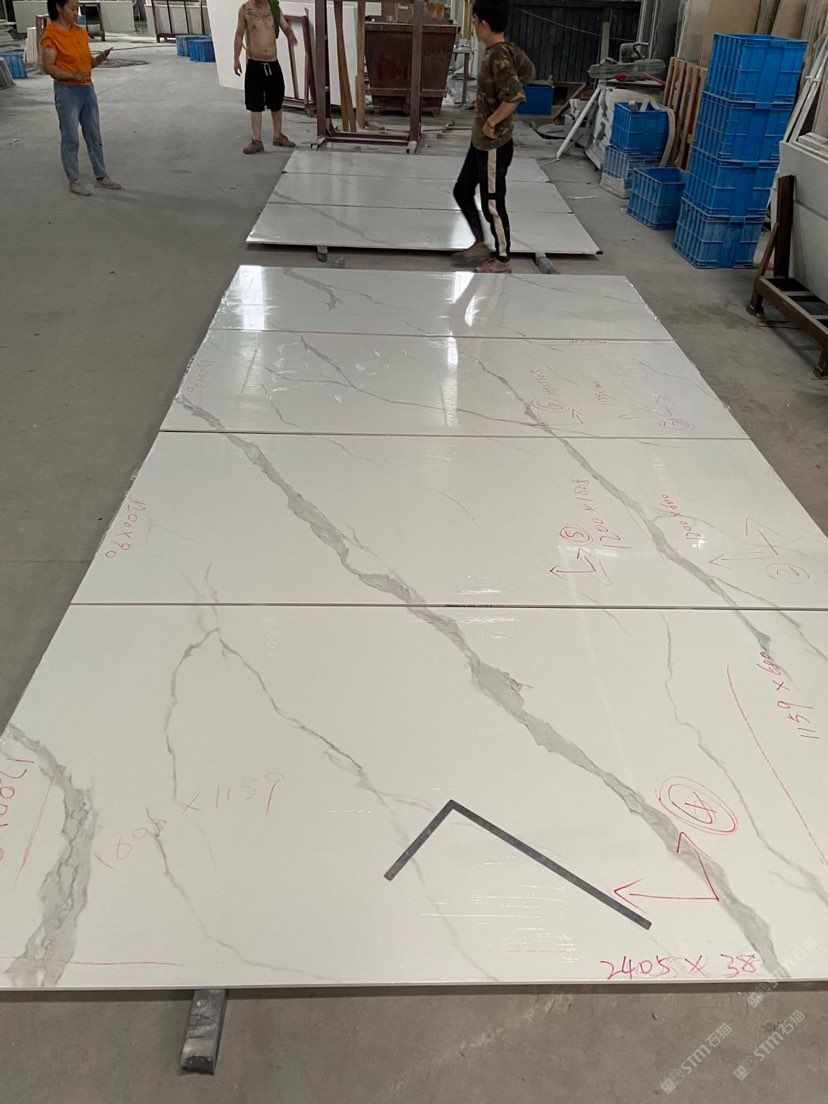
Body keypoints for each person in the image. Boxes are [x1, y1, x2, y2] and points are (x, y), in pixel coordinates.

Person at [452, 0, 534, 273]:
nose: (474, 26)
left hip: (493, 145)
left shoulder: (499, 57)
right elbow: (529, 71)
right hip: (480, 141)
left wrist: (492, 122)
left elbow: (515, 96)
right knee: (462, 190)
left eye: (475, 21)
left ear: (484, 24)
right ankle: (480, 242)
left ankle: (502, 259)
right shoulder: (506, 51)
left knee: (492, 204)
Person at [40, 0, 120, 196]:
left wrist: (98, 60)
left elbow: (86, 63)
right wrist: (73, 75)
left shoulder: (79, 33)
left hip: (87, 89)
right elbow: (48, 67)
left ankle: (101, 175)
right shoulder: (51, 35)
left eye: (77, 8)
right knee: (71, 137)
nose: (77, 13)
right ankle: (73, 180)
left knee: (94, 135)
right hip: (67, 91)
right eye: (73, 9)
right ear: (59, 7)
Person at [234, 0, 298, 154]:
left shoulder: (273, 8)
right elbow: (239, 34)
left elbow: (285, 26)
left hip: (272, 63)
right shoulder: (245, 10)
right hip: (254, 64)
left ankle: (278, 135)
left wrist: (290, 35)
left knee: (276, 101)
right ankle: (257, 140)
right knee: (255, 103)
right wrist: (236, 59)